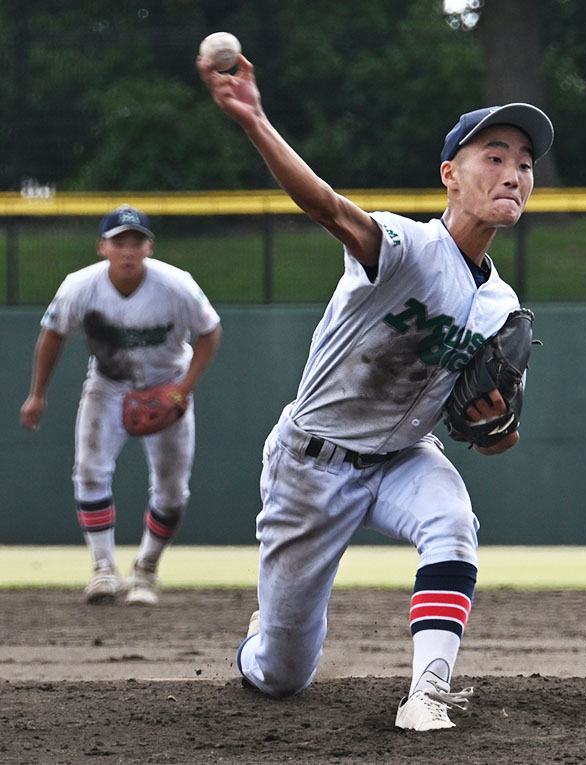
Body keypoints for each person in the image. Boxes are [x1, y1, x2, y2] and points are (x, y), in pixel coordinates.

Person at [197, 52, 553, 731]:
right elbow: (324, 205)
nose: (514, 173)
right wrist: (254, 120)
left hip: (401, 456)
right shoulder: (407, 245)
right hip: (311, 462)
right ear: (450, 175)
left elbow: (496, 438)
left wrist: (495, 424)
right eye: (495, 157)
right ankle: (261, 641)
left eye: (525, 164)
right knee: (282, 673)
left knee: (453, 522)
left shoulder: (501, 304)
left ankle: (428, 690)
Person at [20, 205, 222, 606]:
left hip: (166, 384)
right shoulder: (80, 286)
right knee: (90, 472)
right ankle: (103, 570)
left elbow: (210, 331)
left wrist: (183, 388)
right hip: (108, 385)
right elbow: (53, 335)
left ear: (149, 247)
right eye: (119, 242)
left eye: (135, 242)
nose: (127, 251)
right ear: (102, 248)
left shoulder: (176, 284)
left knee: (172, 492)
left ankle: (146, 570)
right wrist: (37, 393)